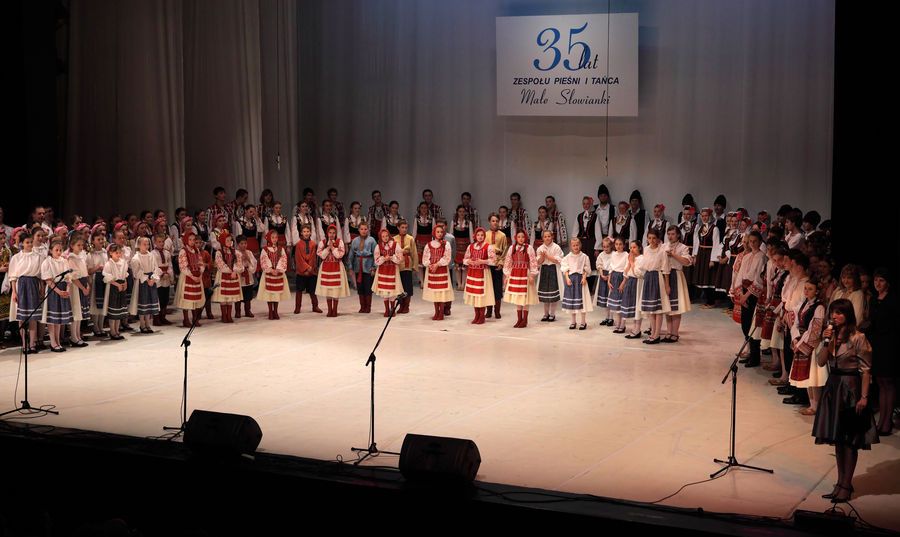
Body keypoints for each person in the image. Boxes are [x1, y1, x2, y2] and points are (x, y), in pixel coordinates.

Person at [814, 299, 878, 504]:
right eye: (833, 312)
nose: (835, 316)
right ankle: (840, 482)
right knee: (838, 440)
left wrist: (864, 397)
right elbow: (820, 361)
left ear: (848, 315)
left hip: (850, 389)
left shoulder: (858, 337)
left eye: (839, 313)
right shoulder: (830, 335)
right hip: (833, 387)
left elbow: (866, 370)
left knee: (849, 440)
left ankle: (846, 485)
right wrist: (826, 341)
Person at [865, 268, 897, 436]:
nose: (877, 283)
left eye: (881, 280)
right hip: (876, 344)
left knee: (888, 382)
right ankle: (881, 421)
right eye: (876, 280)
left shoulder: (893, 300)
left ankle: (887, 421)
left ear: (888, 283)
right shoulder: (873, 299)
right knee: (880, 382)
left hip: (889, 345)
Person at [789, 278, 827, 416]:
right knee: (808, 377)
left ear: (816, 291)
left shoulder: (819, 307)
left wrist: (800, 344)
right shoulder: (804, 304)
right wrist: (795, 339)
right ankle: (812, 405)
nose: (806, 291)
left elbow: (815, 330)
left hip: (812, 345)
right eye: (805, 288)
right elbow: (796, 323)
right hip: (801, 340)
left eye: (810, 289)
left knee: (814, 377)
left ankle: (816, 406)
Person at [41, 240, 74, 351]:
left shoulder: (64, 261)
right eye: (56, 250)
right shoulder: (47, 262)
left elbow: (68, 277)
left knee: (59, 318)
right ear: (51, 250)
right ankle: (53, 342)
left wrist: (67, 290)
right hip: (53, 290)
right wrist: (59, 291)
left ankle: (58, 341)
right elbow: (48, 280)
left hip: (63, 289)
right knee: (53, 319)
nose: (59, 252)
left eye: (60, 250)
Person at [639, 228, 670, 344]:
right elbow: (644, 265)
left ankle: (657, 334)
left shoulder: (662, 250)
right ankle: (652, 333)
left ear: (658, 239)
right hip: (648, 277)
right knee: (650, 309)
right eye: (649, 238)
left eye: (654, 238)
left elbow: (665, 268)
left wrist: (667, 284)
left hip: (657, 278)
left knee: (657, 309)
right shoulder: (646, 249)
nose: (651, 240)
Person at [663, 226, 693, 342]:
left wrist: (673, 255)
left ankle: (675, 333)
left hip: (676, 275)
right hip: (665, 275)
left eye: (673, 234)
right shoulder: (664, 246)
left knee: (676, 307)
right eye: (669, 234)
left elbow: (687, 262)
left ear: (678, 235)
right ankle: (668, 332)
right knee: (667, 306)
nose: (670, 236)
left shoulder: (683, 247)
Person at [503, 230, 539, 328]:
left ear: (525, 237)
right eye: (519, 237)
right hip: (515, 274)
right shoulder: (512, 248)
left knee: (525, 297)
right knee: (518, 297)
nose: (521, 239)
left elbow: (533, 261)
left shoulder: (529, 248)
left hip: (525, 274)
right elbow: (508, 261)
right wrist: (507, 275)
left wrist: (532, 275)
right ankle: (519, 319)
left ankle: (525, 320)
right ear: (516, 238)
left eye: (522, 237)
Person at [463, 227, 496, 325]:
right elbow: (465, 259)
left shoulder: (488, 247)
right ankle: (476, 315)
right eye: (478, 235)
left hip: (483, 273)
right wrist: (469, 261)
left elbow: (493, 261)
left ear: (484, 236)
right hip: (473, 272)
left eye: (482, 235)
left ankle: (482, 316)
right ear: (475, 236)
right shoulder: (471, 246)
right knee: (474, 294)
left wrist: (482, 261)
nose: (480, 237)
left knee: (481, 295)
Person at [316, 224, 350, 317]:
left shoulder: (340, 242)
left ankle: (334, 310)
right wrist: (328, 248)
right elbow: (322, 255)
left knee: (335, 289)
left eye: (333, 233)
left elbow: (339, 255)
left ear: (336, 233)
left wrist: (333, 248)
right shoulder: (323, 242)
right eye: (330, 233)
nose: (331, 234)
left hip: (337, 267)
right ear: (327, 233)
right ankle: (329, 310)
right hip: (326, 267)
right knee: (328, 289)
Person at [129, 237, 161, 333]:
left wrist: (153, 279)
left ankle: (148, 323)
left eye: (148, 244)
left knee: (149, 303)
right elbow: (137, 272)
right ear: (139, 245)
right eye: (144, 244)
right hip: (142, 282)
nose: (147, 246)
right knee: (143, 303)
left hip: (151, 280)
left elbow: (156, 268)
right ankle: (142, 324)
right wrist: (147, 280)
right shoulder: (136, 258)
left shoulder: (151, 255)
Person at [421, 224, 453, 320]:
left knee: (441, 292)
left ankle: (441, 312)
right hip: (432, 272)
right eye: (437, 232)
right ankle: (436, 312)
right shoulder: (429, 244)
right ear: (434, 233)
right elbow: (425, 258)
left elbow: (447, 257)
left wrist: (437, 264)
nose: (439, 234)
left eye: (441, 232)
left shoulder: (446, 244)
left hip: (442, 270)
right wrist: (430, 264)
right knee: (435, 292)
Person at [175, 232, 206, 328]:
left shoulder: (196, 250)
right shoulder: (183, 251)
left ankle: (195, 318)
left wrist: (200, 274)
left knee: (195, 298)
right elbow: (183, 266)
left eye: (193, 240)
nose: (192, 242)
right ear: (186, 240)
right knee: (187, 299)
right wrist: (192, 276)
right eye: (190, 240)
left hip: (197, 276)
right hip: (187, 276)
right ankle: (186, 319)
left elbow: (201, 263)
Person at [561, 238, 593, 330]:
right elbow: (565, 269)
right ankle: (573, 321)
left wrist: (584, 277)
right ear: (571, 246)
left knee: (583, 302)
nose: (576, 247)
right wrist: (567, 278)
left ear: (580, 245)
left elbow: (586, 268)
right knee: (572, 302)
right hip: (571, 281)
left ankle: (583, 322)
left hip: (580, 280)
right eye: (574, 245)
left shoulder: (584, 257)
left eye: (577, 245)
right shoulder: (567, 257)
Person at [212, 231, 243, 323]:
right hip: (223, 275)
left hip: (233, 276)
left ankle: (229, 315)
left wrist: (235, 271)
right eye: (227, 240)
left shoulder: (235, 252)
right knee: (223, 296)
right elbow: (220, 264)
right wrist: (230, 271)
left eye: (230, 240)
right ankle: (224, 315)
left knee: (230, 296)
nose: (230, 242)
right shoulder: (219, 252)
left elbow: (239, 263)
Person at [66, 236, 91, 346]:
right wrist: (82, 288)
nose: (81, 247)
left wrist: (87, 285)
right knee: (76, 312)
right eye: (78, 245)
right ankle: (73, 337)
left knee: (80, 313)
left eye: (82, 245)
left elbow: (85, 273)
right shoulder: (71, 258)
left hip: (83, 284)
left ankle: (78, 335)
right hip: (76, 287)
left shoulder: (81, 257)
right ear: (72, 246)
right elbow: (73, 277)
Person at [102, 244, 130, 340]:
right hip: (113, 287)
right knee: (113, 311)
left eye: (119, 253)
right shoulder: (109, 264)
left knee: (119, 311)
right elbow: (106, 278)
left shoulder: (123, 262)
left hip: (121, 286)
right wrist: (117, 284)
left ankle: (117, 330)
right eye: (116, 253)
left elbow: (125, 275)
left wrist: (125, 283)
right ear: (111, 253)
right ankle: (112, 331)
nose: (118, 254)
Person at [373, 228, 404, 317]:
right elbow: (376, 260)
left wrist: (392, 257)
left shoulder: (395, 245)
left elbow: (400, 258)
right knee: (385, 290)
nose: (385, 238)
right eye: (383, 236)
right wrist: (383, 259)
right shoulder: (378, 246)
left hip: (393, 270)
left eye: (386, 236)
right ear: (380, 237)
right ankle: (386, 310)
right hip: (383, 271)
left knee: (392, 290)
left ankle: (392, 309)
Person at [348, 222, 377, 314]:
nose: (363, 231)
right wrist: (350, 267)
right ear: (358, 230)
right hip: (358, 266)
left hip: (368, 267)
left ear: (368, 230)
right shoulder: (355, 241)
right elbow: (351, 255)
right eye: (361, 229)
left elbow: (376, 254)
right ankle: (362, 306)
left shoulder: (372, 240)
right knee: (360, 287)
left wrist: (374, 267)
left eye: (365, 229)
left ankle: (368, 307)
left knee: (368, 287)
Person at [293, 224, 322, 314]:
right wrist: (305, 268)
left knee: (312, 290)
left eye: (308, 231)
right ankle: (297, 307)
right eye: (304, 231)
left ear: (310, 233)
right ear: (301, 233)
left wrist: (310, 268)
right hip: (301, 272)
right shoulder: (298, 244)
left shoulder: (313, 244)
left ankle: (315, 306)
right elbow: (298, 258)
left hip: (311, 271)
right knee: (299, 290)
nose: (306, 233)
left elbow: (313, 257)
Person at [536, 230, 564, 322]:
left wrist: (547, 256)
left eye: (549, 236)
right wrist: (542, 257)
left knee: (553, 295)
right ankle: (545, 314)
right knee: (545, 295)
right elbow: (539, 262)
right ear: (542, 238)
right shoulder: (540, 248)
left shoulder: (556, 247)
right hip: (544, 270)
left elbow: (558, 260)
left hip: (553, 270)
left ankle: (552, 314)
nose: (547, 238)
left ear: (552, 237)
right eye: (545, 236)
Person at [619, 240, 644, 338]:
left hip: (637, 283)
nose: (632, 249)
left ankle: (637, 329)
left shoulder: (641, 258)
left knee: (637, 307)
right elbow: (626, 271)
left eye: (634, 247)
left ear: (639, 248)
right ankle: (634, 328)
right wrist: (623, 282)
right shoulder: (630, 258)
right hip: (630, 282)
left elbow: (639, 273)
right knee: (632, 306)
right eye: (630, 247)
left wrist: (632, 263)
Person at [486, 214, 508, 319]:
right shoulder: (485, 234)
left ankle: (497, 310)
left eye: (496, 221)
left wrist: (501, 262)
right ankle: (489, 310)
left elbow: (505, 250)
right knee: (488, 287)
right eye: (493, 221)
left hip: (497, 263)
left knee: (497, 288)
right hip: (487, 263)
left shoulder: (502, 235)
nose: (495, 223)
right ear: (489, 222)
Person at [394, 220, 418, 314]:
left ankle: (406, 306)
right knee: (399, 287)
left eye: (406, 228)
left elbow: (414, 253)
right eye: (402, 227)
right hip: (398, 265)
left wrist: (415, 265)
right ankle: (401, 305)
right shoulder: (394, 239)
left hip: (407, 265)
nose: (404, 229)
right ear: (398, 228)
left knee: (407, 286)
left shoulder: (410, 238)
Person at [152, 233, 174, 326]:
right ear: (155, 242)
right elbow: (154, 266)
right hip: (159, 278)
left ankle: (163, 317)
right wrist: (161, 274)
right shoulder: (152, 254)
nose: (161, 243)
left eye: (162, 242)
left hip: (166, 277)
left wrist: (169, 273)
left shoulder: (167, 253)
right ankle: (156, 319)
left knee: (165, 298)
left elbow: (170, 264)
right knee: (158, 298)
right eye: (159, 242)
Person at [235, 236, 258, 318]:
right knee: (238, 295)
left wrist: (248, 259)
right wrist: (241, 260)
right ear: (238, 244)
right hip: (239, 276)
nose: (244, 245)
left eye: (245, 243)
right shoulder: (235, 253)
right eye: (241, 243)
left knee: (248, 295)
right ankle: (237, 312)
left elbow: (254, 262)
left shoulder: (249, 252)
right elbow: (234, 264)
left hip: (248, 275)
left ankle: (247, 310)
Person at [452, 206, 473, 291]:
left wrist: (472, 247)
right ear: (457, 212)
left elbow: (471, 235)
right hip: (457, 247)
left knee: (465, 266)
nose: (461, 213)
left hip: (466, 246)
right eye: (460, 211)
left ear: (465, 213)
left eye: (463, 211)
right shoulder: (454, 222)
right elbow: (451, 235)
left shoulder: (469, 223)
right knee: (457, 267)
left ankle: (463, 284)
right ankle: (459, 284)